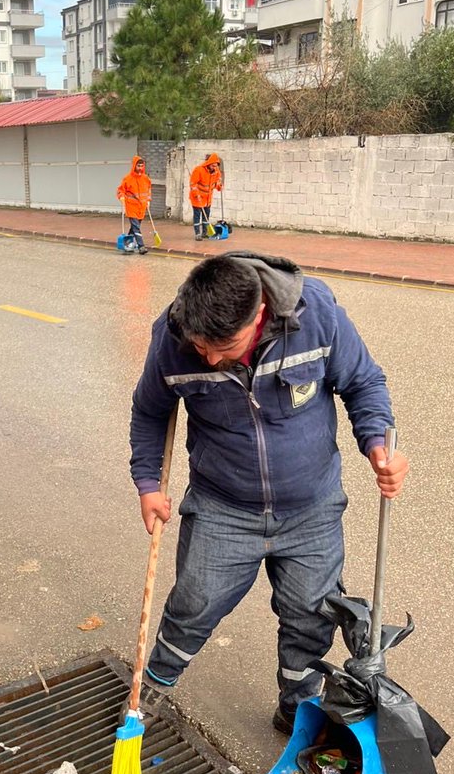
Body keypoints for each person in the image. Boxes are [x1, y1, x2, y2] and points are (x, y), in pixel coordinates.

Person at [129, 251, 409, 734]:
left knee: (311, 616)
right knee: (193, 603)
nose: (212, 359)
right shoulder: (172, 338)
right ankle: (147, 693)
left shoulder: (316, 314)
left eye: (225, 345)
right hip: (222, 506)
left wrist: (379, 443)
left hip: (311, 508)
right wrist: (148, 483)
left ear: (259, 313)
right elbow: (150, 411)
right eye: (202, 348)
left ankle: (297, 708)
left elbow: (364, 382)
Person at [116, 156, 151, 255]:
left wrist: (148, 200)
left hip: (142, 207)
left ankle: (128, 244)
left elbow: (148, 191)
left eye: (141, 166)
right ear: (134, 166)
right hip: (131, 206)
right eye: (138, 165)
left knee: (135, 227)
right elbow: (120, 190)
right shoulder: (128, 179)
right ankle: (141, 246)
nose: (140, 168)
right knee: (136, 226)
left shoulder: (146, 179)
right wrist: (121, 197)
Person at [189, 153, 222, 241]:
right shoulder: (199, 170)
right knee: (197, 216)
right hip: (197, 198)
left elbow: (217, 181)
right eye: (213, 165)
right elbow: (193, 183)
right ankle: (197, 234)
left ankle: (204, 232)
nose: (214, 167)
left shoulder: (216, 171)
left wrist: (219, 185)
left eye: (216, 166)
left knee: (206, 216)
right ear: (208, 164)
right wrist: (196, 194)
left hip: (208, 199)